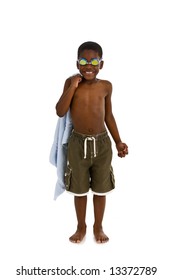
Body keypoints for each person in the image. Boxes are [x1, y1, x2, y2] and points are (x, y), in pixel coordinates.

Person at [55, 41, 128, 243]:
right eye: (84, 61)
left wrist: (119, 142)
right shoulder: (70, 83)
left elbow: (109, 116)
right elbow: (60, 111)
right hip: (77, 144)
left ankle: (98, 226)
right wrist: (72, 86)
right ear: (77, 63)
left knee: (100, 188)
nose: (89, 66)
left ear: (101, 65)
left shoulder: (106, 86)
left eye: (94, 61)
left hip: (102, 144)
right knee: (79, 190)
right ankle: (81, 226)